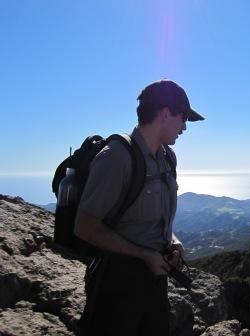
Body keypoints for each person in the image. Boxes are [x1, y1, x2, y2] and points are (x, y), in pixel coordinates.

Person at [74, 79, 204, 335]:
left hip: (155, 280)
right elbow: (84, 227)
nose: (185, 127)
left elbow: (154, 216)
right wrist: (143, 254)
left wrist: (172, 241)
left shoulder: (167, 158)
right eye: (183, 117)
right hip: (116, 285)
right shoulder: (116, 157)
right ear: (165, 113)